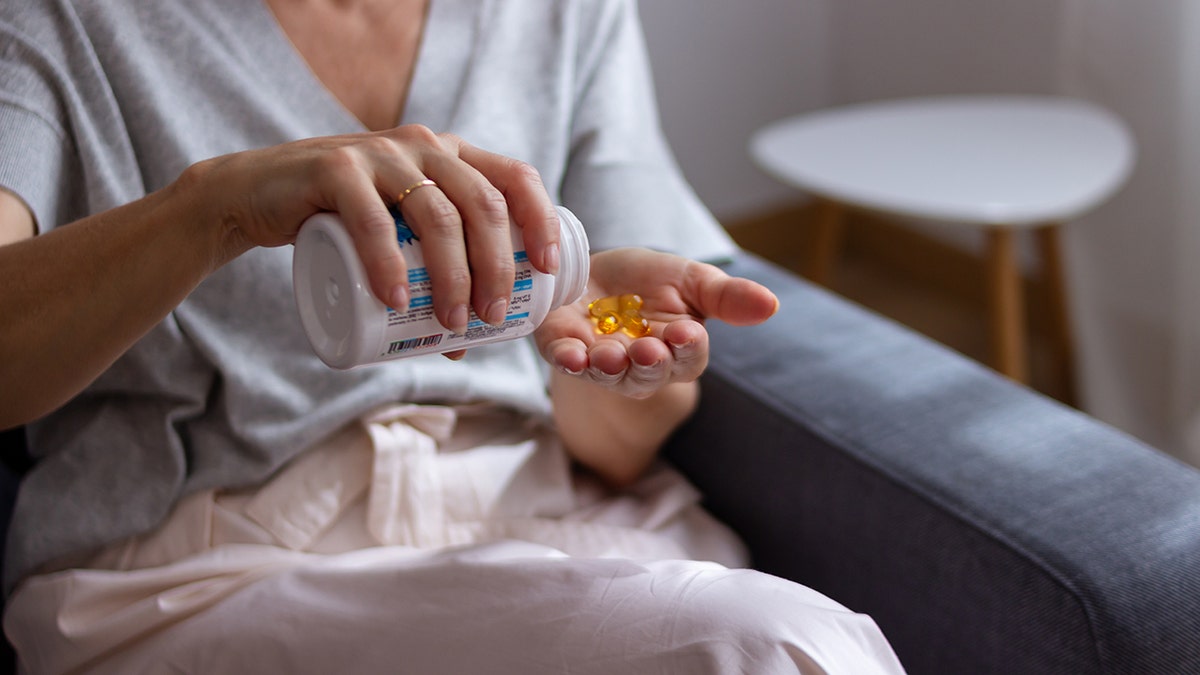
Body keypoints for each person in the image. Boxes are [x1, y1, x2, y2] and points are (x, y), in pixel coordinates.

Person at [0, 0, 906, 672]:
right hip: (208, 571)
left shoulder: (561, 16)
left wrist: (610, 366)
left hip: (546, 519)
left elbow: (620, 441)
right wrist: (212, 210)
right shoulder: (59, 22)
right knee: (777, 646)